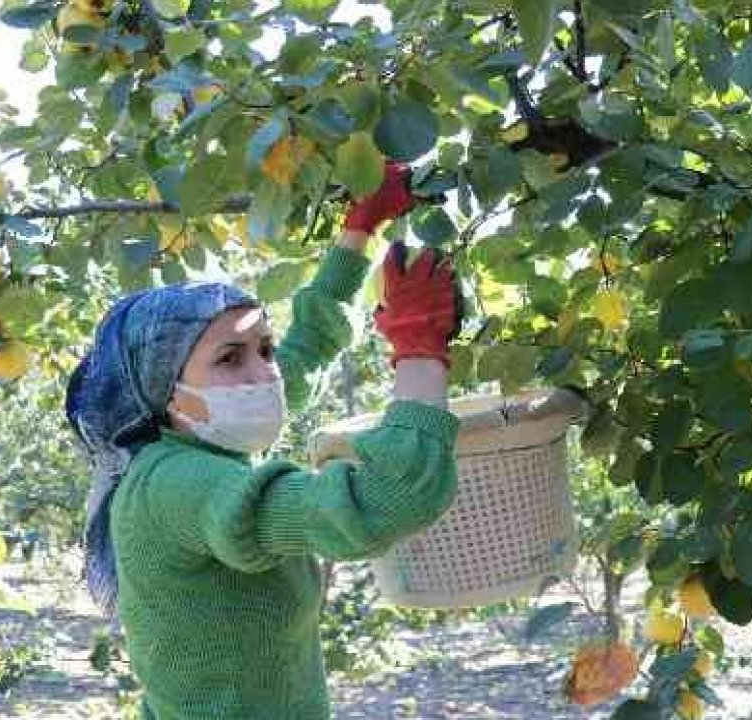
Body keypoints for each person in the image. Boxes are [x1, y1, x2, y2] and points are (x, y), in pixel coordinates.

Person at [63, 162, 463, 719]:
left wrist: (359, 230)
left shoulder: (201, 433)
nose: (265, 374)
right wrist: (420, 349)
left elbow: (309, 345)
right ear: (165, 387)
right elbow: (378, 504)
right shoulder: (175, 485)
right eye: (231, 357)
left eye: (264, 350)